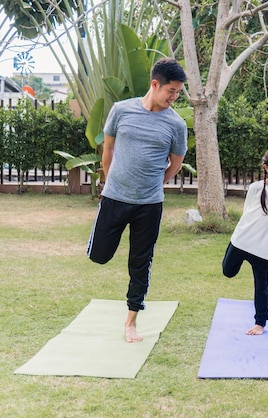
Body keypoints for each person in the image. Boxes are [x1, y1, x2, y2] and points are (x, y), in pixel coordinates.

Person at [87, 58, 188, 343]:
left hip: (149, 204)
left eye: (178, 92)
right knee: (99, 256)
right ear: (155, 84)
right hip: (115, 198)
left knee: (140, 262)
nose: (174, 97)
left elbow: (176, 163)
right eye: (171, 90)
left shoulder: (176, 124)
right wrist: (110, 182)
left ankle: (131, 321)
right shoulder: (121, 111)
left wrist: (156, 184)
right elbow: (108, 148)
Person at [222, 146, 268, 335]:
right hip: (241, 241)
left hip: (263, 250)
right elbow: (247, 214)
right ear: (267, 168)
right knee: (228, 272)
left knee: (262, 285)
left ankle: (260, 323)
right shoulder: (256, 188)